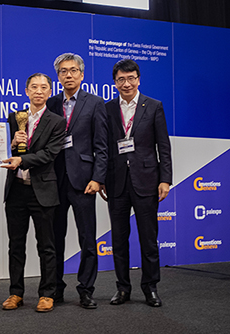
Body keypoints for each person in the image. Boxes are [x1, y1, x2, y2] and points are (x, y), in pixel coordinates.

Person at [99, 59, 172, 307]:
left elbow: (163, 146)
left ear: (138, 79)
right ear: (115, 82)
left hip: (147, 181)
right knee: (118, 239)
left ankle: (150, 287)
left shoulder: (153, 106)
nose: (126, 83)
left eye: (131, 78)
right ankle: (123, 288)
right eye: (121, 79)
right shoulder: (107, 109)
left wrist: (165, 179)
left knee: (148, 239)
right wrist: (102, 179)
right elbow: (104, 147)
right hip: (116, 182)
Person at [47, 53, 108, 309]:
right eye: (63, 71)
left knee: (87, 239)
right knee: (54, 239)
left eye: (73, 70)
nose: (68, 75)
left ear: (82, 75)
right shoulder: (50, 103)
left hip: (84, 181)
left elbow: (102, 146)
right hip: (54, 180)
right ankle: (55, 289)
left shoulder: (95, 103)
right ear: (58, 76)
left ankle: (86, 289)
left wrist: (98, 178)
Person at [1, 73, 66, 313]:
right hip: (16, 190)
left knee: (47, 246)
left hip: (43, 190)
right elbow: (4, 152)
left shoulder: (57, 121)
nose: (39, 91)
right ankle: (15, 293)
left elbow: (49, 154)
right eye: (34, 87)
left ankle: (47, 294)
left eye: (44, 87)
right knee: (16, 245)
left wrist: (21, 159)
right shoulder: (15, 118)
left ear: (50, 92)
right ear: (26, 90)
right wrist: (10, 145)